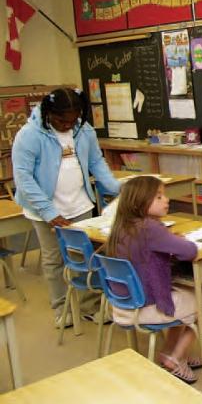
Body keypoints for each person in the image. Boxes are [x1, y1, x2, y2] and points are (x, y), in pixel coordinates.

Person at [12, 87, 121, 327]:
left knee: (86, 256)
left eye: (73, 120)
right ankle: (62, 308)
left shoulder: (84, 131)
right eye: (61, 120)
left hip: (79, 204)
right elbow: (23, 178)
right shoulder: (29, 135)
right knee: (54, 260)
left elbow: (96, 162)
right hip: (44, 210)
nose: (67, 125)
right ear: (47, 113)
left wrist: (116, 187)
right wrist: (50, 213)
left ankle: (90, 305)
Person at [106, 176, 202, 384]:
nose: (166, 200)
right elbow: (190, 251)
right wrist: (175, 241)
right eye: (158, 196)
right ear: (139, 201)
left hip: (122, 305)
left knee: (184, 294)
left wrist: (169, 239)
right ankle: (175, 357)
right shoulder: (151, 228)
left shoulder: (121, 226)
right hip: (146, 308)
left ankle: (169, 352)